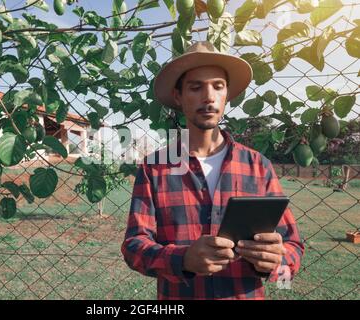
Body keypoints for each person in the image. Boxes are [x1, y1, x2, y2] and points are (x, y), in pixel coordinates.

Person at [121, 41, 304, 300]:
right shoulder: (155, 168)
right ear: (178, 96)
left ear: (226, 95)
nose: (209, 97)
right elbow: (134, 246)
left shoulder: (257, 166)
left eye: (218, 87)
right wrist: (182, 259)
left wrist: (275, 261)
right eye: (196, 87)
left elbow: (293, 245)